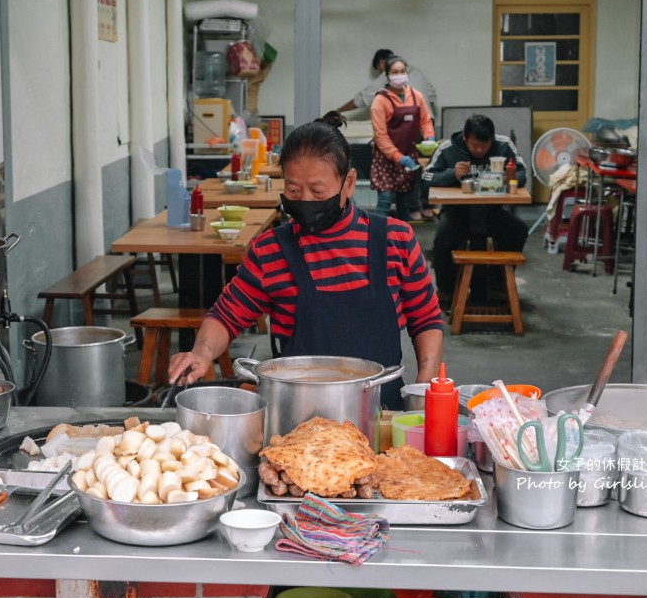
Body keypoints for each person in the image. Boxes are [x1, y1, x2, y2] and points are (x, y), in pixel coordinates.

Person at [168, 112, 444, 410]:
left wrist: (425, 384)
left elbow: (425, 319)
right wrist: (202, 352)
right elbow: (227, 315)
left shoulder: (395, 240)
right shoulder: (270, 251)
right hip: (295, 417)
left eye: (318, 191)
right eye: (293, 190)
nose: (305, 201)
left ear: (349, 182)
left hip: (380, 413)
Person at [423, 114, 529, 304]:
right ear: (465, 137)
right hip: (457, 213)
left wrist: (508, 176)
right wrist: (452, 174)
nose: (479, 150)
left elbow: (522, 173)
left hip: (491, 212)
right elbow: (426, 178)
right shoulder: (448, 148)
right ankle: (446, 289)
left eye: (484, 145)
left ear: (492, 139)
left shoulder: (504, 146)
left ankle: (496, 285)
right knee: (443, 239)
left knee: (517, 230)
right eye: (474, 145)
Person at [369, 56, 435, 222]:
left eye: (402, 71)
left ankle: (402, 243)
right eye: (394, 72)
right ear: (387, 75)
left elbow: (425, 121)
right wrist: (399, 158)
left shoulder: (416, 96)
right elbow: (380, 136)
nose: (399, 75)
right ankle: (377, 241)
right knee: (384, 201)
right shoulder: (380, 100)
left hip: (409, 155)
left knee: (404, 204)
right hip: (386, 159)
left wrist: (429, 137)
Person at [336, 49, 438, 120]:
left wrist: (338, 111)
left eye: (379, 69)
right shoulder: (417, 72)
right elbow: (432, 97)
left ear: (382, 63)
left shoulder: (386, 77)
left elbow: (361, 99)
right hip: (428, 121)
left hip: (408, 127)